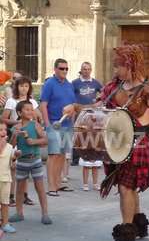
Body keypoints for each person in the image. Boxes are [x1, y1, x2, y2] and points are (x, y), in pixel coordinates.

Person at [64, 44, 149, 241]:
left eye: (118, 66)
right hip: (115, 145)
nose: (115, 70)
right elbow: (97, 107)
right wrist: (76, 107)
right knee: (129, 188)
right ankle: (138, 224)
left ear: (130, 65)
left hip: (139, 144)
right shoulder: (113, 88)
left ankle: (126, 234)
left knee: (125, 188)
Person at [8, 101, 51, 225]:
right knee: (20, 188)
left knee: (40, 187)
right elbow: (11, 145)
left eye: (31, 109)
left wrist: (34, 141)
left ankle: (45, 213)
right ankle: (19, 213)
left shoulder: (35, 125)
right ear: (19, 113)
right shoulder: (16, 127)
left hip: (35, 159)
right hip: (22, 161)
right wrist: (15, 135)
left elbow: (45, 140)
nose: (31, 111)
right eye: (27, 110)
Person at [39, 59, 76, 197]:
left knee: (61, 155)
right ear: (55, 69)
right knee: (53, 155)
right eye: (62, 68)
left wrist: (73, 123)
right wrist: (47, 124)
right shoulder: (49, 84)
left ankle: (58, 183)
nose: (65, 71)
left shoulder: (69, 85)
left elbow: (72, 105)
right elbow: (43, 105)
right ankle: (51, 186)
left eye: (67, 68)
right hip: (54, 124)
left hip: (67, 126)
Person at [2, 76, 41, 206]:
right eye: (21, 86)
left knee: (26, 167)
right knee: (14, 167)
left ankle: (24, 195)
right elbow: (4, 119)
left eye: (26, 86)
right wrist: (17, 122)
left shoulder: (32, 102)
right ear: (16, 87)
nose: (23, 89)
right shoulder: (12, 101)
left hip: (28, 137)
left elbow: (37, 117)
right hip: (16, 134)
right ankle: (11, 195)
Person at [72, 62, 103, 191]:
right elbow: (71, 98)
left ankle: (95, 173)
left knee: (92, 138)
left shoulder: (96, 83)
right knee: (79, 138)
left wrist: (97, 104)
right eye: (84, 69)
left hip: (92, 116)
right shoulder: (75, 83)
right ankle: (76, 158)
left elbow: (104, 95)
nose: (86, 71)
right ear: (81, 70)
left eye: (89, 69)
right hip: (79, 115)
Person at [0, 120, 19, 234]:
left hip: (6, 179)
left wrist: (15, 157)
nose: (3, 132)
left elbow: (12, 165)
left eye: (4, 130)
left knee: (5, 202)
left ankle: (5, 223)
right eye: (0, 130)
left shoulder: (10, 147)